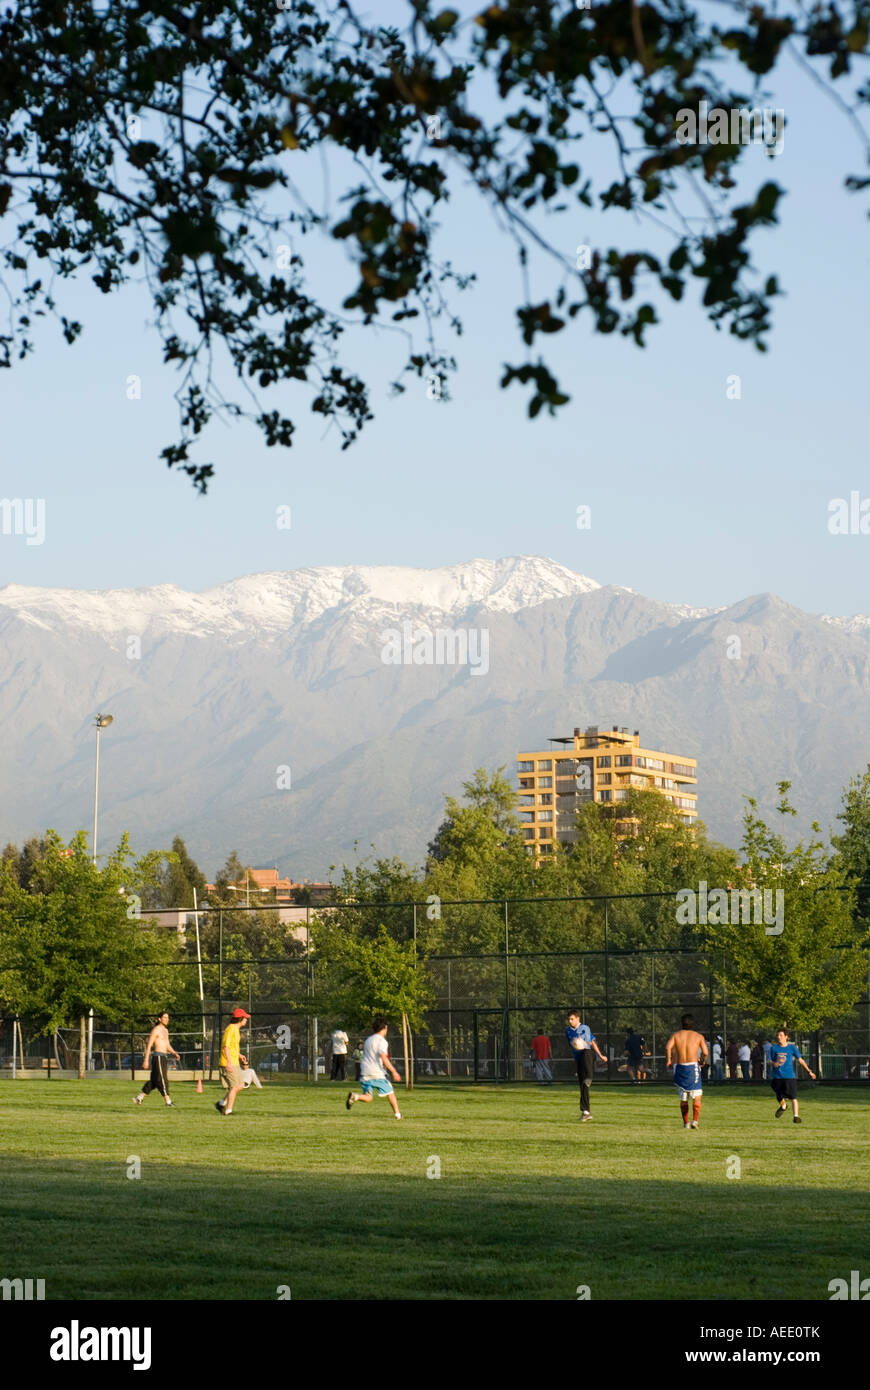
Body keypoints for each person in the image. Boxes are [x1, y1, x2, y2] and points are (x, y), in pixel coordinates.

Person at [346, 1016, 403, 1119]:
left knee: (369, 1097)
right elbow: (383, 1057)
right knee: (390, 1092)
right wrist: (394, 1071)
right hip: (376, 1073)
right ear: (385, 1027)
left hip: (364, 1072)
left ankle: (355, 1096)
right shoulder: (382, 1041)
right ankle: (398, 1115)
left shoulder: (368, 1040)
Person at [666, 1013, 709, 1129]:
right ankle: (695, 1121)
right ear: (693, 1024)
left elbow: (668, 1047)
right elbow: (705, 1052)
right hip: (692, 1066)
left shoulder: (676, 1035)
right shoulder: (698, 1036)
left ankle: (686, 1123)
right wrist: (702, 1061)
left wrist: (669, 1061)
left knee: (683, 1098)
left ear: (682, 1023)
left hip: (680, 1067)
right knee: (697, 1095)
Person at [566, 1010, 608, 1121]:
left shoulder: (585, 1028)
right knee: (583, 1086)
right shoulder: (568, 1031)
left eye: (572, 1019)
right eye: (569, 1019)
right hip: (579, 1059)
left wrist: (600, 1055)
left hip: (588, 1055)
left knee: (586, 1053)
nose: (570, 1021)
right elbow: (572, 1045)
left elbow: (591, 1043)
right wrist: (576, 1044)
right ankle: (586, 1112)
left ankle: (589, 1076)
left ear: (578, 1018)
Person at [769, 1028, 816, 1123]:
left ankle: (796, 1117)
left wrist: (809, 1071)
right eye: (778, 1035)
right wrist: (773, 1063)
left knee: (793, 1097)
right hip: (777, 1077)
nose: (779, 1037)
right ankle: (783, 1106)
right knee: (779, 1096)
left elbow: (801, 1060)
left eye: (781, 1035)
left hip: (790, 1077)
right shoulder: (773, 1048)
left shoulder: (792, 1048)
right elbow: (769, 1060)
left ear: (786, 1037)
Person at [133, 1010, 179, 1107]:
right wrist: (146, 1060)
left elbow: (167, 1045)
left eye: (168, 1018)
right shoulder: (156, 1030)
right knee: (162, 1079)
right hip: (157, 1057)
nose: (167, 1019)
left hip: (164, 1057)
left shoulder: (166, 1031)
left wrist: (174, 1052)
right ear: (159, 1019)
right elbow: (149, 1045)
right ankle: (168, 1101)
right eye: (165, 1017)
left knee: (154, 1081)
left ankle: (139, 1097)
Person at [215, 1007, 250, 1117]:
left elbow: (232, 1047)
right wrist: (229, 1063)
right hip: (228, 1063)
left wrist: (239, 1056)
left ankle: (221, 1103)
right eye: (245, 1018)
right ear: (240, 1019)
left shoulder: (236, 1030)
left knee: (240, 1085)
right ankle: (228, 1110)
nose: (246, 1020)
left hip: (234, 1062)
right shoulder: (230, 1029)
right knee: (234, 1087)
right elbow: (225, 1047)